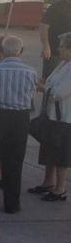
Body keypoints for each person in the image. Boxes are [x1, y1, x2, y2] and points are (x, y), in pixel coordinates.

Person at [0, 35, 38, 214]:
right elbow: (31, 94)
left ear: (1, 51)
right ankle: (12, 203)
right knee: (14, 161)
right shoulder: (31, 72)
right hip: (19, 118)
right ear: (21, 51)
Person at [31, 32, 71, 201]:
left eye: (61, 46)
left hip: (64, 119)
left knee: (61, 153)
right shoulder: (63, 64)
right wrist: (44, 86)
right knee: (48, 148)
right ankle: (48, 181)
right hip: (52, 115)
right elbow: (50, 84)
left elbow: (59, 93)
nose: (58, 49)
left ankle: (60, 188)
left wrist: (42, 88)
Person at [39, 0, 71, 78]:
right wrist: (46, 46)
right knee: (49, 77)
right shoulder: (56, 7)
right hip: (54, 50)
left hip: (69, 52)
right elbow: (43, 26)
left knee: (65, 79)